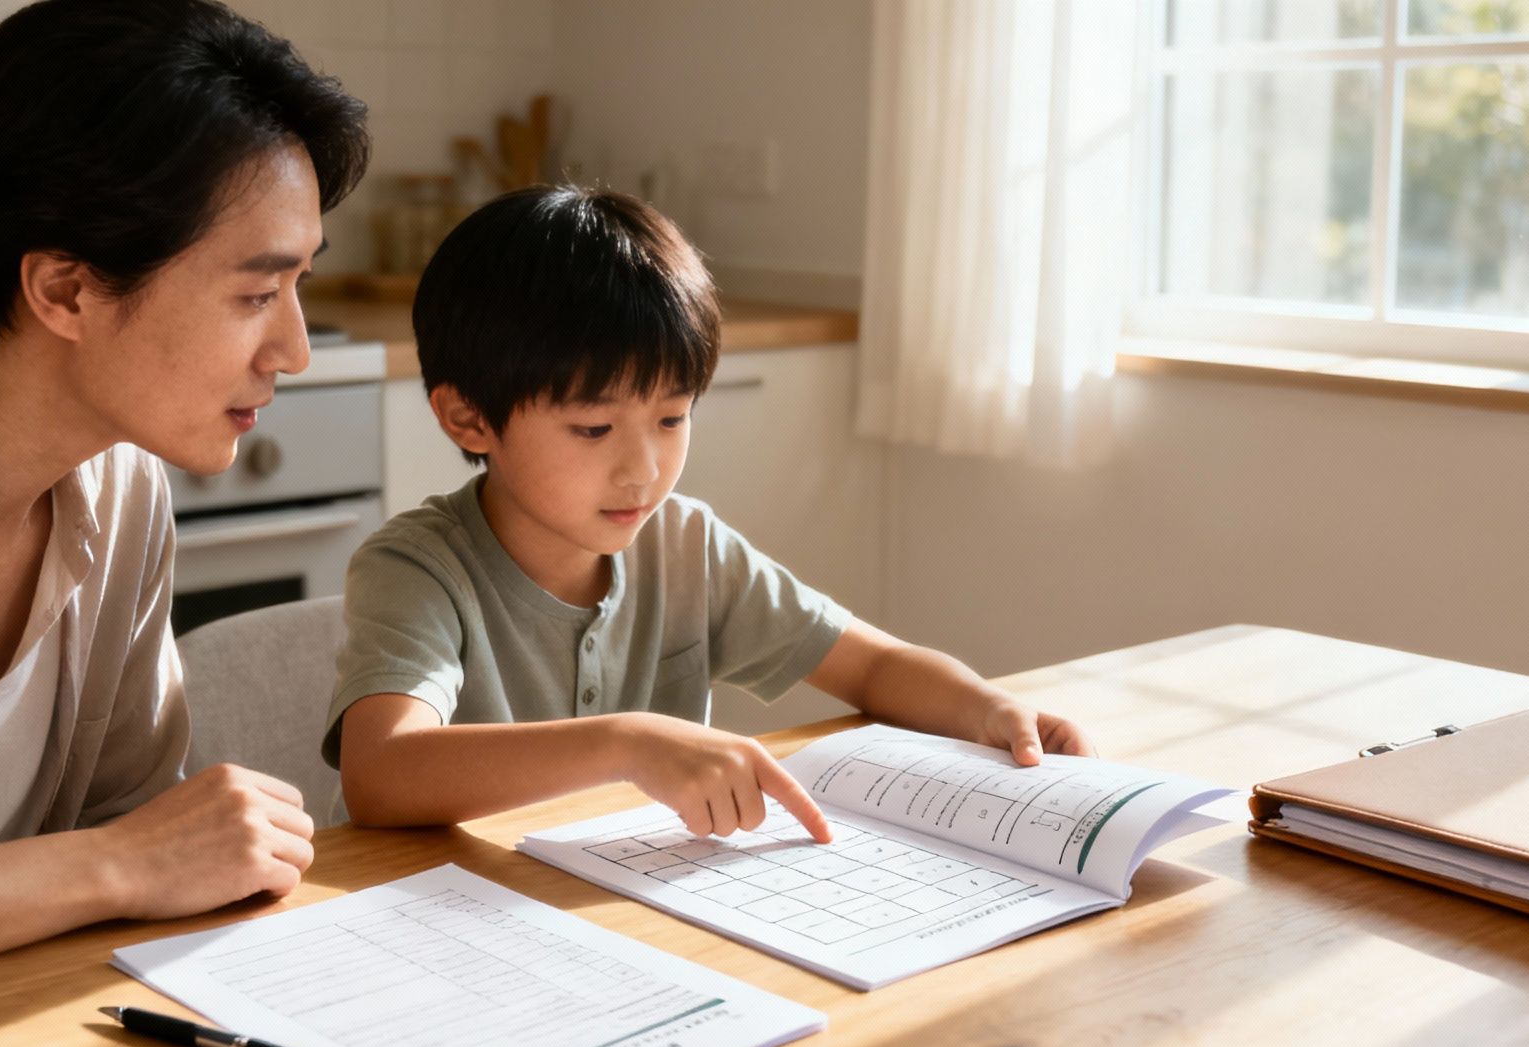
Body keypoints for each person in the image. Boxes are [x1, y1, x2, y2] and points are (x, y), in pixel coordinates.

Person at [0, 0, 369, 1007]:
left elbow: (132, 824)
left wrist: (142, 861)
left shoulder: (122, 481)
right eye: (257, 294)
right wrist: (120, 865)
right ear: (65, 289)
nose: (294, 352)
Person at [329, 186, 1097, 841]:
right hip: (447, 926)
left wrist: (988, 707)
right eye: (593, 429)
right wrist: (627, 742)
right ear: (469, 420)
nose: (645, 468)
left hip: (621, 903)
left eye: (672, 419)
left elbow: (871, 663)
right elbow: (381, 773)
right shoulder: (418, 569)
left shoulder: (686, 547)